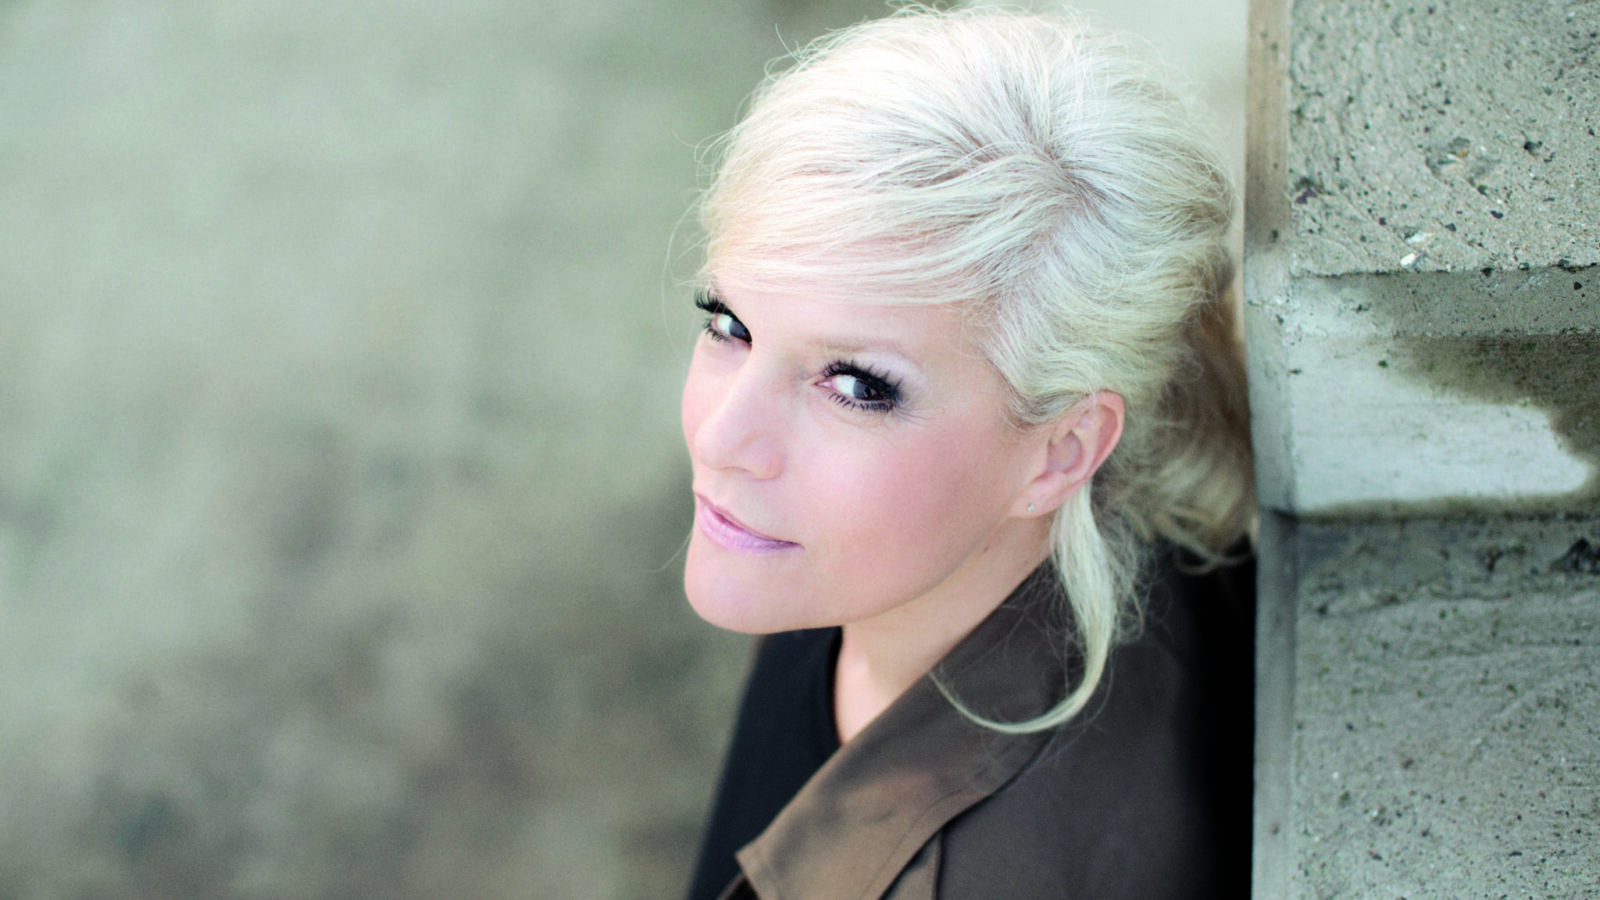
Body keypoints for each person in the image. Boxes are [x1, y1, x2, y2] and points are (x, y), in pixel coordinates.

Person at [678, 6, 1255, 898]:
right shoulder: (893, 563)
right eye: (730, 324)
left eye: (856, 385)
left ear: (1062, 450)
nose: (723, 439)